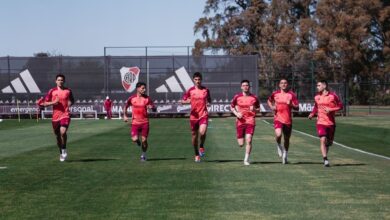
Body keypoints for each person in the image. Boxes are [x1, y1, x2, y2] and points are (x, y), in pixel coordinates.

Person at [39, 74, 74, 162]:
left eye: (62, 80)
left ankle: (64, 149)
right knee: (58, 137)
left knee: (63, 132)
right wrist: (53, 102)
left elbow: (72, 100)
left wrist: (69, 104)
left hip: (65, 114)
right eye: (58, 80)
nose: (60, 81)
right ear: (56, 81)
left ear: (64, 81)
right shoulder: (52, 91)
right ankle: (61, 153)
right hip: (55, 117)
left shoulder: (68, 90)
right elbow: (44, 103)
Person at [308, 80, 343, 167]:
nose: (317, 87)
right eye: (317, 85)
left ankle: (325, 155)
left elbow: (340, 106)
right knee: (322, 139)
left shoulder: (333, 96)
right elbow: (316, 107)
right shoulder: (316, 97)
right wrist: (312, 114)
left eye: (318, 85)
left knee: (329, 143)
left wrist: (331, 109)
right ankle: (325, 159)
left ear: (324, 86)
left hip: (331, 123)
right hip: (320, 122)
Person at [267, 78, 299, 164]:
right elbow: (269, 101)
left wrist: (291, 104)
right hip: (278, 118)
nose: (283, 84)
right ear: (279, 85)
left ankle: (285, 154)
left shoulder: (292, 94)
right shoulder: (275, 94)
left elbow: (297, 107)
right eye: (282, 83)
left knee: (287, 139)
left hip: (288, 120)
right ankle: (278, 145)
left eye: (285, 83)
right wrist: (272, 107)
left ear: (287, 84)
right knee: (278, 134)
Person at [181, 72, 211, 162]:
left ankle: (201, 146)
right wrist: (187, 101)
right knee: (194, 136)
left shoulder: (206, 90)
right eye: (196, 79)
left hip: (203, 114)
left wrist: (208, 102)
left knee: (202, 132)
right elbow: (183, 101)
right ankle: (196, 154)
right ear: (193, 80)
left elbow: (209, 99)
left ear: (201, 80)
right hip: (194, 116)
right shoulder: (190, 90)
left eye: (199, 79)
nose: (197, 81)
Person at [123, 82, 156, 162]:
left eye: (145, 88)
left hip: (145, 123)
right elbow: (126, 106)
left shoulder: (147, 99)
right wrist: (125, 115)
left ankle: (143, 155)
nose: (144, 90)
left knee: (144, 140)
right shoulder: (132, 98)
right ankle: (137, 140)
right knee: (134, 139)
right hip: (135, 123)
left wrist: (152, 107)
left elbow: (154, 109)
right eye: (143, 88)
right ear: (138, 88)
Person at [231, 80, 260, 166]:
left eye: (247, 85)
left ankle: (246, 159)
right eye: (243, 85)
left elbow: (259, 109)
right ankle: (241, 138)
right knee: (241, 144)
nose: (245, 87)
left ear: (249, 87)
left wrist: (254, 109)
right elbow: (232, 107)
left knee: (249, 140)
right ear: (241, 87)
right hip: (240, 122)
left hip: (250, 120)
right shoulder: (237, 97)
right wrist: (237, 114)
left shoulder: (254, 98)